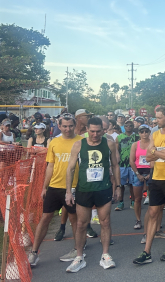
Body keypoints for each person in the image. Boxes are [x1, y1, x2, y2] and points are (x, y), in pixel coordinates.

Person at [65, 117, 121, 272]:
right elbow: (70, 169)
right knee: (82, 224)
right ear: (87, 130)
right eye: (92, 131)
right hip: (84, 189)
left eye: (98, 131)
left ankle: (105, 255)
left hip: (103, 188)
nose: (95, 134)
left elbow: (115, 166)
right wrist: (68, 192)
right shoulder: (78, 145)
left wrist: (118, 186)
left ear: (103, 131)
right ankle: (79, 257)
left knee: (105, 222)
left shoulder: (109, 143)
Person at [28, 113, 83, 268]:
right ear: (59, 126)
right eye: (64, 126)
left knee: (74, 220)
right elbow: (50, 166)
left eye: (70, 126)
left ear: (75, 125)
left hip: (73, 187)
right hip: (55, 186)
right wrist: (44, 187)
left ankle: (77, 250)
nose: (67, 129)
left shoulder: (81, 141)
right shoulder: (53, 142)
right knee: (45, 218)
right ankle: (34, 252)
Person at [133, 106, 165, 265]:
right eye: (156, 118)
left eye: (159, 118)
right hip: (156, 178)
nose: (156, 120)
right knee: (153, 212)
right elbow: (148, 156)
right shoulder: (154, 134)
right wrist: (160, 153)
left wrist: (156, 152)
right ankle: (147, 252)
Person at [129, 124, 151, 231]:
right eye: (142, 132)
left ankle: (152, 219)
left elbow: (156, 159)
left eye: (146, 131)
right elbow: (131, 160)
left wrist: (150, 174)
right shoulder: (135, 145)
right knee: (137, 198)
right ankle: (138, 220)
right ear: (139, 133)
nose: (144, 134)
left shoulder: (153, 144)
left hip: (150, 171)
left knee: (153, 199)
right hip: (138, 171)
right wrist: (137, 174)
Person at [115, 120, 139, 211]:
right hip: (122, 164)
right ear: (124, 127)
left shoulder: (137, 137)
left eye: (130, 125)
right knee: (121, 184)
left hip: (133, 163)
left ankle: (133, 201)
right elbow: (116, 151)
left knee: (132, 184)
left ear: (133, 127)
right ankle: (121, 202)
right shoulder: (119, 137)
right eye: (126, 125)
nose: (128, 127)